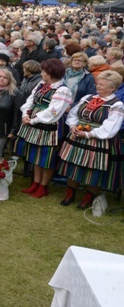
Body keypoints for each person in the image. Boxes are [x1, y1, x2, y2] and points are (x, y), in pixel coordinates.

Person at [57, 70, 124, 209]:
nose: (98, 87)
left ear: (112, 88)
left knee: (94, 169)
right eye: (98, 84)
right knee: (73, 165)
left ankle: (89, 196)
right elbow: (74, 113)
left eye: (102, 85)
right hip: (77, 137)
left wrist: (89, 134)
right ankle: (70, 193)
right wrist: (73, 126)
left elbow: (111, 127)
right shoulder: (88, 98)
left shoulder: (116, 105)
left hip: (98, 140)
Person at [15, 59, 73, 198]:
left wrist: (33, 120)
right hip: (33, 123)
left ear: (51, 73)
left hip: (49, 126)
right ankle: (35, 183)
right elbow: (30, 100)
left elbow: (53, 112)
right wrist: (25, 114)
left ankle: (43, 186)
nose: (42, 74)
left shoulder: (62, 90)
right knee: (35, 155)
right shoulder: (42, 85)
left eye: (44, 71)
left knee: (46, 158)